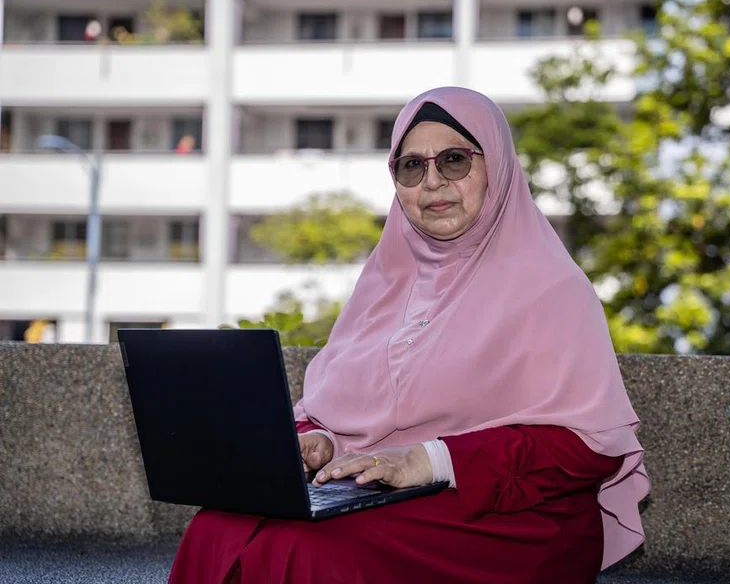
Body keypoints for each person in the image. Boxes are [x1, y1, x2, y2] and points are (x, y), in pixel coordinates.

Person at [168, 86, 651, 584]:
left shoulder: (551, 287)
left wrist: (428, 460)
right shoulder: (384, 282)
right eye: (412, 167)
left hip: (510, 523)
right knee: (217, 527)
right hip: (385, 494)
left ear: (498, 168)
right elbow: (357, 408)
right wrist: (323, 443)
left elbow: (588, 448)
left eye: (455, 160)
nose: (433, 182)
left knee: (301, 548)